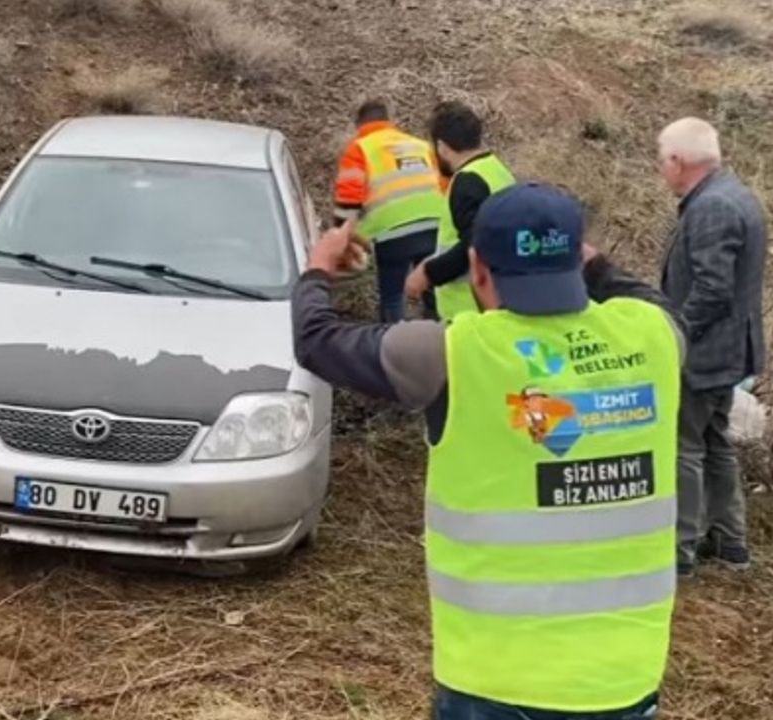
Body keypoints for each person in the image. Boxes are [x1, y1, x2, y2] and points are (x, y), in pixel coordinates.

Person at [294, 183, 684, 719]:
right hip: (625, 681)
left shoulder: (451, 354)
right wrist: (583, 259)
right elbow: (642, 295)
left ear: (477, 268)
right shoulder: (655, 335)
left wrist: (318, 269)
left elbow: (316, 340)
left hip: (496, 684)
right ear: (577, 259)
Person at [658, 117, 768, 576]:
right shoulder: (734, 194)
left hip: (703, 354)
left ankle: (680, 552)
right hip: (728, 351)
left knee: (684, 446)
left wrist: (674, 335)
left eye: (662, 160)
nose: (661, 170)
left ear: (678, 162)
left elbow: (712, 288)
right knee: (714, 441)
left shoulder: (711, 208)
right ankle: (729, 541)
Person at [332, 99, 444, 321]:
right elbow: (445, 185)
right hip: (436, 227)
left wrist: (341, 242)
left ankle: (393, 345)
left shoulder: (359, 149)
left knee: (392, 297)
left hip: (394, 234)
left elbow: (348, 201)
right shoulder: (421, 145)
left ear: (359, 124)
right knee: (436, 290)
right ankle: (440, 341)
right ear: (390, 120)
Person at [405, 101, 516, 320]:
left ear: (442, 147)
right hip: (501, 296)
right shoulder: (495, 169)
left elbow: (475, 244)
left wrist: (428, 273)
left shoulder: (467, 182)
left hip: (469, 310)